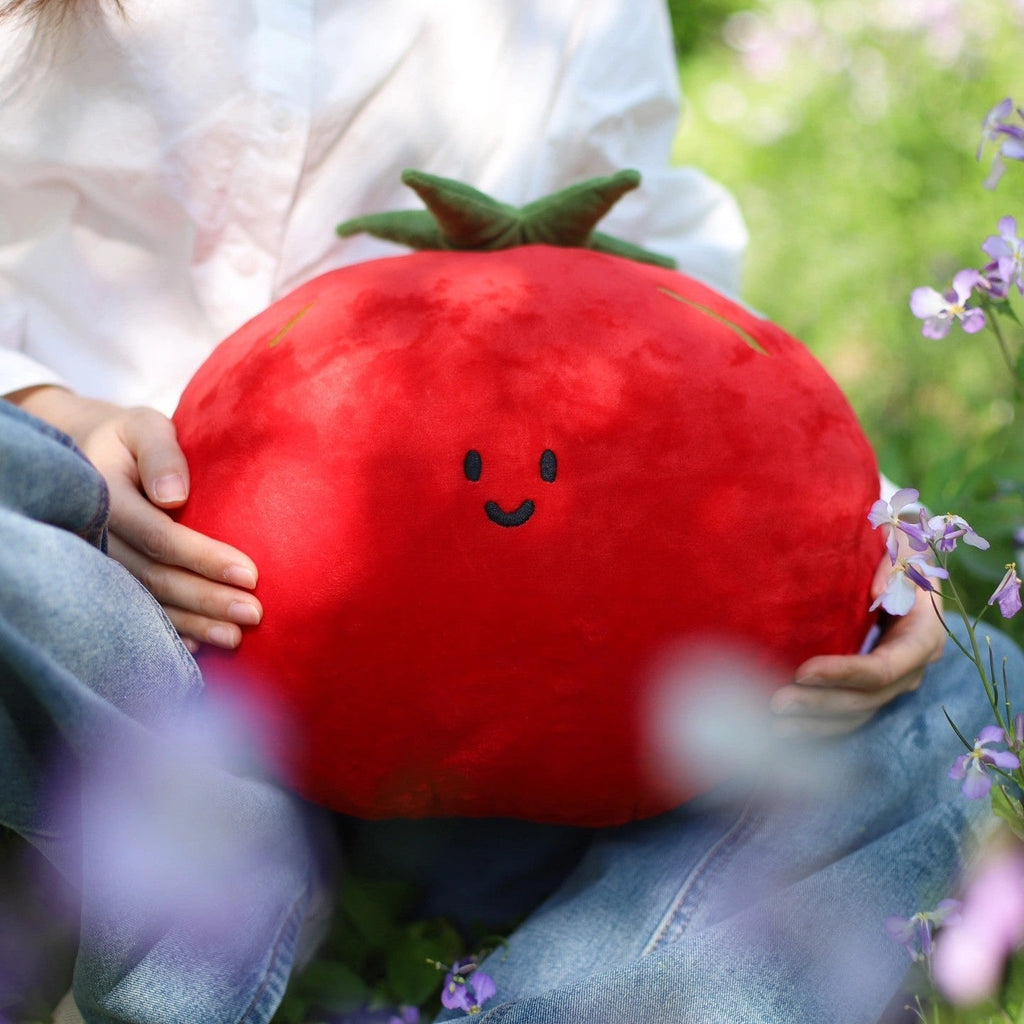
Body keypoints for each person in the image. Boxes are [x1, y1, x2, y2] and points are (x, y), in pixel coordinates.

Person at [0, 1, 1004, 1022]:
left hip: (534, 708)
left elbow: (683, 335)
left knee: (970, 692)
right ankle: (205, 902)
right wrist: (53, 415)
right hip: (125, 634)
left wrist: (863, 554)